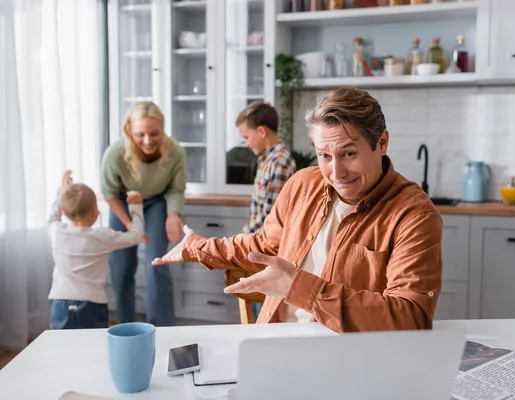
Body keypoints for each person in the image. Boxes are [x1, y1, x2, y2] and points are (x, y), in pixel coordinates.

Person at [153, 88, 442, 333]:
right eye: (324, 156)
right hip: (275, 338)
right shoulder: (303, 184)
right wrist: (199, 248)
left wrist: (300, 288)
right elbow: (264, 244)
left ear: (381, 143)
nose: (336, 172)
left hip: (348, 358)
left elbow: (410, 316)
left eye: (349, 154)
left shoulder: (414, 214)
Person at [101, 101, 187, 327]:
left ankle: (163, 328)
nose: (148, 141)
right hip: (123, 202)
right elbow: (109, 192)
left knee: (157, 263)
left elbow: (176, 189)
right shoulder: (115, 154)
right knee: (121, 268)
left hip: (157, 201)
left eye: (154, 133)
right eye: (140, 134)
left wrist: (173, 214)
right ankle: (126, 326)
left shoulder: (175, 152)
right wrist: (129, 224)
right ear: (129, 130)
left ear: (163, 128)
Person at [48, 170, 145, 329]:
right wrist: (135, 207)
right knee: (94, 348)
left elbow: (53, 216)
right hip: (92, 305)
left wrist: (63, 190)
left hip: (61, 304)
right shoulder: (102, 236)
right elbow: (135, 236)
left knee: (62, 349)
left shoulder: (57, 232)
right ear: (95, 212)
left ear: (64, 212)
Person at [236, 101, 296, 319]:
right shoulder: (267, 160)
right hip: (257, 246)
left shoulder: (278, 163)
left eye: (246, 137)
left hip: (266, 251)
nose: (245, 143)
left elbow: (270, 221)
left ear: (261, 131)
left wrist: (242, 243)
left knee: (262, 310)